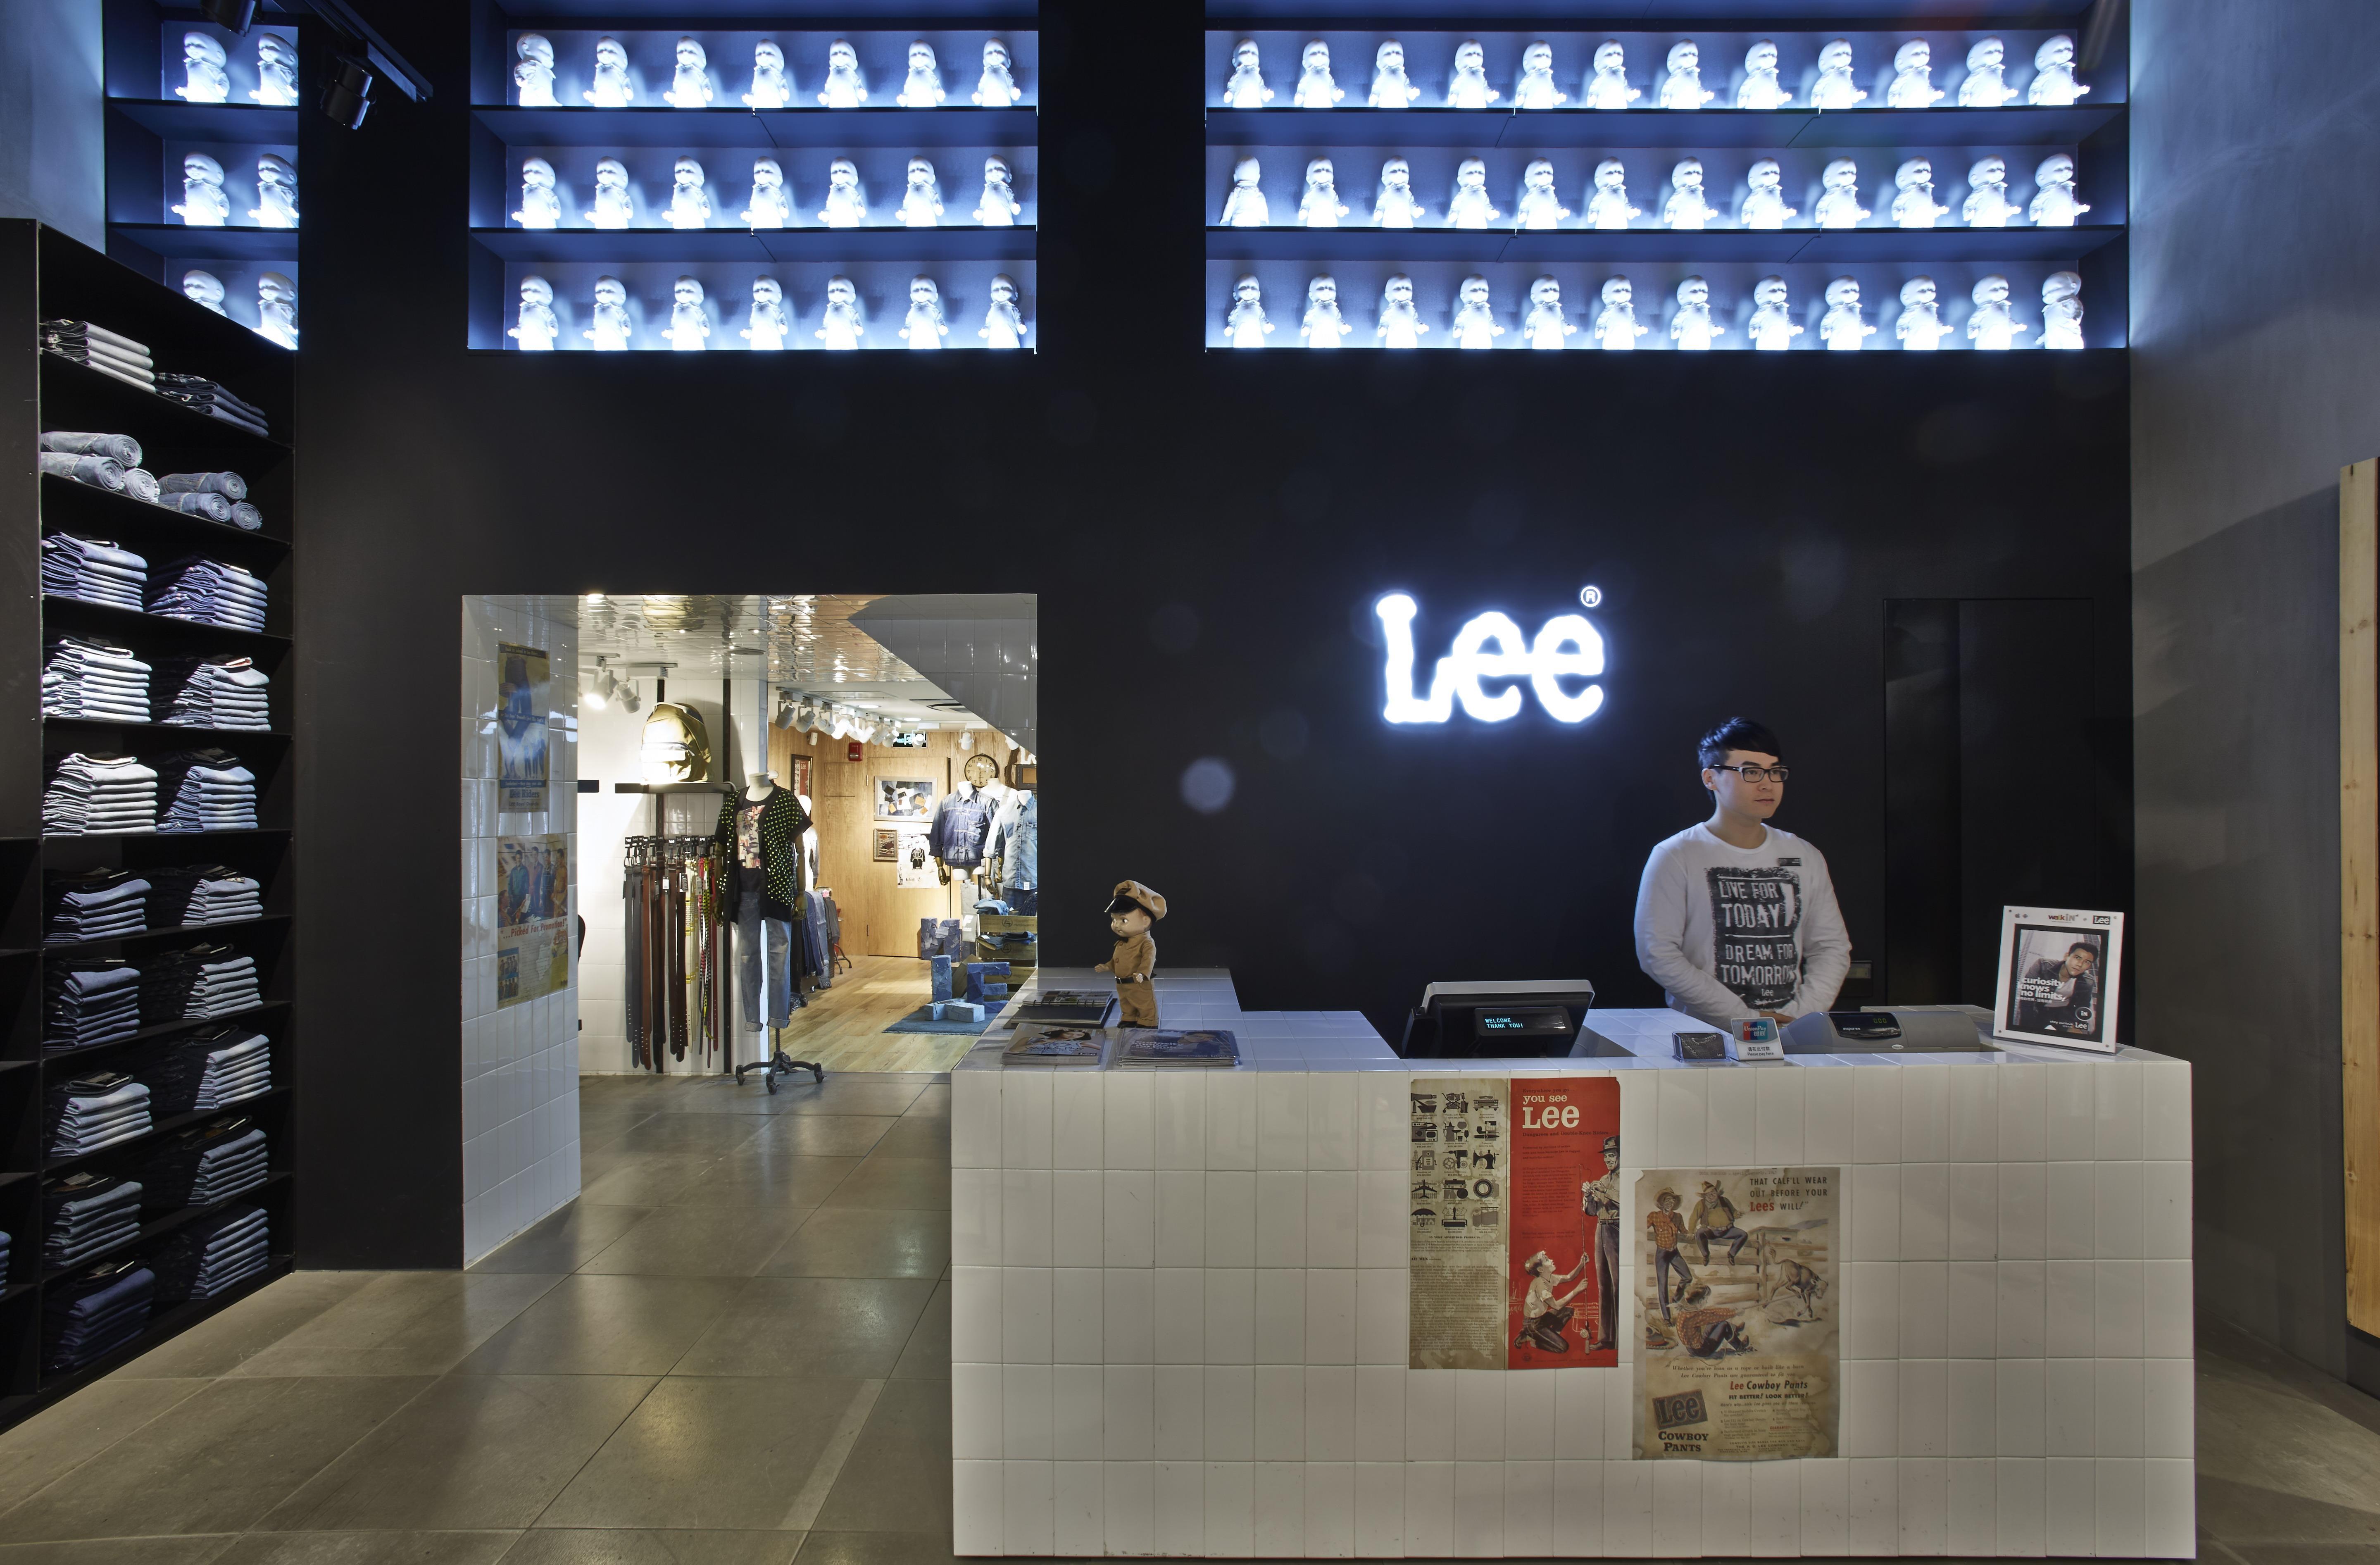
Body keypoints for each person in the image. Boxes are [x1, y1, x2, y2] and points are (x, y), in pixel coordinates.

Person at [1633, 717, 1852, 1029]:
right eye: (1751, 772)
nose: (1767, 784)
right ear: (1711, 778)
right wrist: (1745, 1019)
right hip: (1705, 1035)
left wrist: (1800, 1019)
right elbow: (1657, 953)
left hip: (1790, 1035)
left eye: (1775, 771)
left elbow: (1831, 947)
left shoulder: (1805, 855)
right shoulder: (1676, 854)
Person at [1581, 1134, 1622, 1349]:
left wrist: (1604, 1191)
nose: (1608, 1160)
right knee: (1604, 1285)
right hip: (1602, 1229)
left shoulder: (1626, 1178)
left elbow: (1625, 1201)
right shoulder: (1604, 1179)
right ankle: (1607, 1339)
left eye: (1612, 1155)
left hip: (1618, 1229)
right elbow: (1591, 1211)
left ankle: (1622, 1341)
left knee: (1619, 1286)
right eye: (1606, 1156)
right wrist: (1589, 1196)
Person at [2015, 939, 2101, 1036]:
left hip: (2063, 1013)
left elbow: (2083, 1007)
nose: (2080, 965)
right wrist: (2028, 1025)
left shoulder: (2088, 981)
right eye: (2077, 958)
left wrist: (2077, 1026)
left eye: (2087, 962)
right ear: (2067, 956)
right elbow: (2027, 1000)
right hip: (2038, 1009)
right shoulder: (2042, 965)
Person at [1516, 1249, 1595, 1353]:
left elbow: (1569, 1278)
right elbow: (1557, 1306)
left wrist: (1582, 1264)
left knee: (1568, 1311)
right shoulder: (1540, 1285)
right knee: (1563, 1348)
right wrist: (1577, 1291)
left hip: (1541, 1319)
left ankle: (1551, 1337)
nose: (1551, 1260)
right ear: (1541, 1269)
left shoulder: (1549, 1277)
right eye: (1547, 1260)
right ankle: (1531, 1340)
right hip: (1532, 1324)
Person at [1647, 1188, 1695, 1321]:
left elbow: (1683, 1230)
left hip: (1674, 1252)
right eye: (1668, 1200)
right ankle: (1667, 1318)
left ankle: (1676, 1298)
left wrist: (1690, 1234)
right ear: (1662, 1203)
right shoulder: (1654, 1216)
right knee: (1662, 1285)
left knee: (1688, 1277)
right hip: (1662, 1253)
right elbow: (1640, 1227)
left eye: (1673, 1201)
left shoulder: (1678, 1217)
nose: (1670, 1203)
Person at [1671, 1283, 1752, 1357]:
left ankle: (1735, 1329)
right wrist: (1735, 1313)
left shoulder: (1687, 1310)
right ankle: (1740, 1347)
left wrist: (1730, 1310)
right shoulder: (1694, 1316)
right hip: (1701, 1351)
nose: (1707, 1302)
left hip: (1694, 1347)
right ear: (1701, 1302)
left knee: (1716, 1322)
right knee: (1725, 1325)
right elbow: (1715, 1316)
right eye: (1706, 1300)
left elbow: (1711, 1312)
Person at [1690, 1178, 1748, 1264]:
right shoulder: (1701, 1204)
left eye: (1713, 1192)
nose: (1712, 1195)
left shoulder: (1725, 1201)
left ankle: (1732, 1254)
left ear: (1717, 1192)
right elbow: (1693, 1218)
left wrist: (1737, 1214)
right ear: (1705, 1196)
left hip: (1728, 1231)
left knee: (1743, 1235)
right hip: (1711, 1232)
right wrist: (1691, 1232)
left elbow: (1734, 1213)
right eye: (1708, 1194)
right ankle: (1706, 1255)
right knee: (1700, 1232)